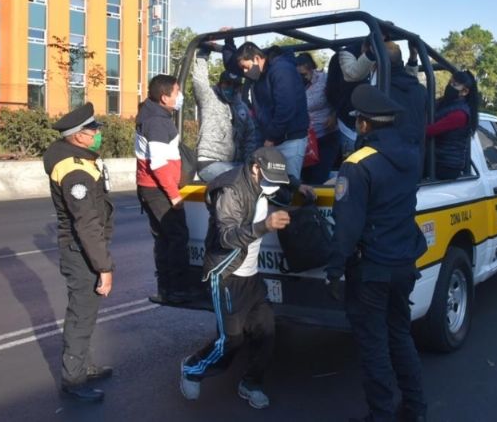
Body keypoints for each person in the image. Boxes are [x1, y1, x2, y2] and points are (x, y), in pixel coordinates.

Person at [180, 147, 311, 409]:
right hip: (227, 275)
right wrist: (265, 226)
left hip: (251, 275)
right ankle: (192, 368)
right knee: (232, 339)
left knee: (267, 331)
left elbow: (282, 181)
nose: (274, 188)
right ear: (255, 169)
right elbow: (226, 237)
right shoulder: (230, 191)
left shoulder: (264, 182)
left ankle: (251, 383)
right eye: (271, 181)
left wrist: (299, 187)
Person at [325, 85, 428, 422]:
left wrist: (334, 269)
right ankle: (416, 410)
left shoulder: (357, 164)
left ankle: (381, 415)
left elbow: (347, 226)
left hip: (371, 268)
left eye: (358, 122)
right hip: (403, 263)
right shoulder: (411, 155)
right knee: (400, 336)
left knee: (374, 346)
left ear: (365, 125)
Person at [43, 102, 115, 403]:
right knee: (81, 314)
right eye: (93, 130)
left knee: (86, 312)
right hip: (81, 250)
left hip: (83, 247)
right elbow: (86, 224)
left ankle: (83, 365)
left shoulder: (78, 160)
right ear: (78, 136)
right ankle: (73, 379)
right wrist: (104, 267)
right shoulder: (75, 171)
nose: (97, 133)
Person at [136, 74, 197, 304]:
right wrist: (174, 196)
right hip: (159, 190)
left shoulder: (152, 114)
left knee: (164, 240)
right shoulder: (157, 122)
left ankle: (166, 288)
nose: (180, 96)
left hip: (150, 188)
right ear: (164, 97)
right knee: (176, 238)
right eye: (177, 92)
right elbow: (159, 164)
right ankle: (178, 290)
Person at [234, 42, 310, 179]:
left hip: (289, 140)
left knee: (287, 187)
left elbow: (286, 107)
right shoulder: (260, 76)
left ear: (257, 59)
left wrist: (271, 137)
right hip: (274, 140)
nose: (245, 72)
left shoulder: (281, 70)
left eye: (246, 67)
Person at [192, 48, 259, 182]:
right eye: (227, 84)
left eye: (235, 85)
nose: (231, 88)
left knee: (255, 177)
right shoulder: (209, 98)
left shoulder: (242, 108)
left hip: (235, 164)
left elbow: (250, 138)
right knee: (239, 180)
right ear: (219, 84)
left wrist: (248, 163)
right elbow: (199, 82)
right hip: (210, 162)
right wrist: (203, 55)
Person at [426, 70, 480, 179]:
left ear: (464, 91)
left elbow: (430, 130)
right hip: (437, 158)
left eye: (455, 85)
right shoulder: (444, 103)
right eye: (450, 82)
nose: (450, 86)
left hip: (446, 165)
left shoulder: (460, 114)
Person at [295, 53, 339, 184]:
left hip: (326, 135)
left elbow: (339, 99)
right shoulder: (295, 84)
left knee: (319, 177)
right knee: (306, 179)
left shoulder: (325, 80)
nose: (301, 78)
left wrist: (334, 115)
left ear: (311, 69)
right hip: (306, 140)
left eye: (303, 74)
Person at [385, 41, 428, 173]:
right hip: (416, 162)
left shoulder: (378, 92)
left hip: (386, 165)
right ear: (401, 62)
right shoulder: (421, 91)